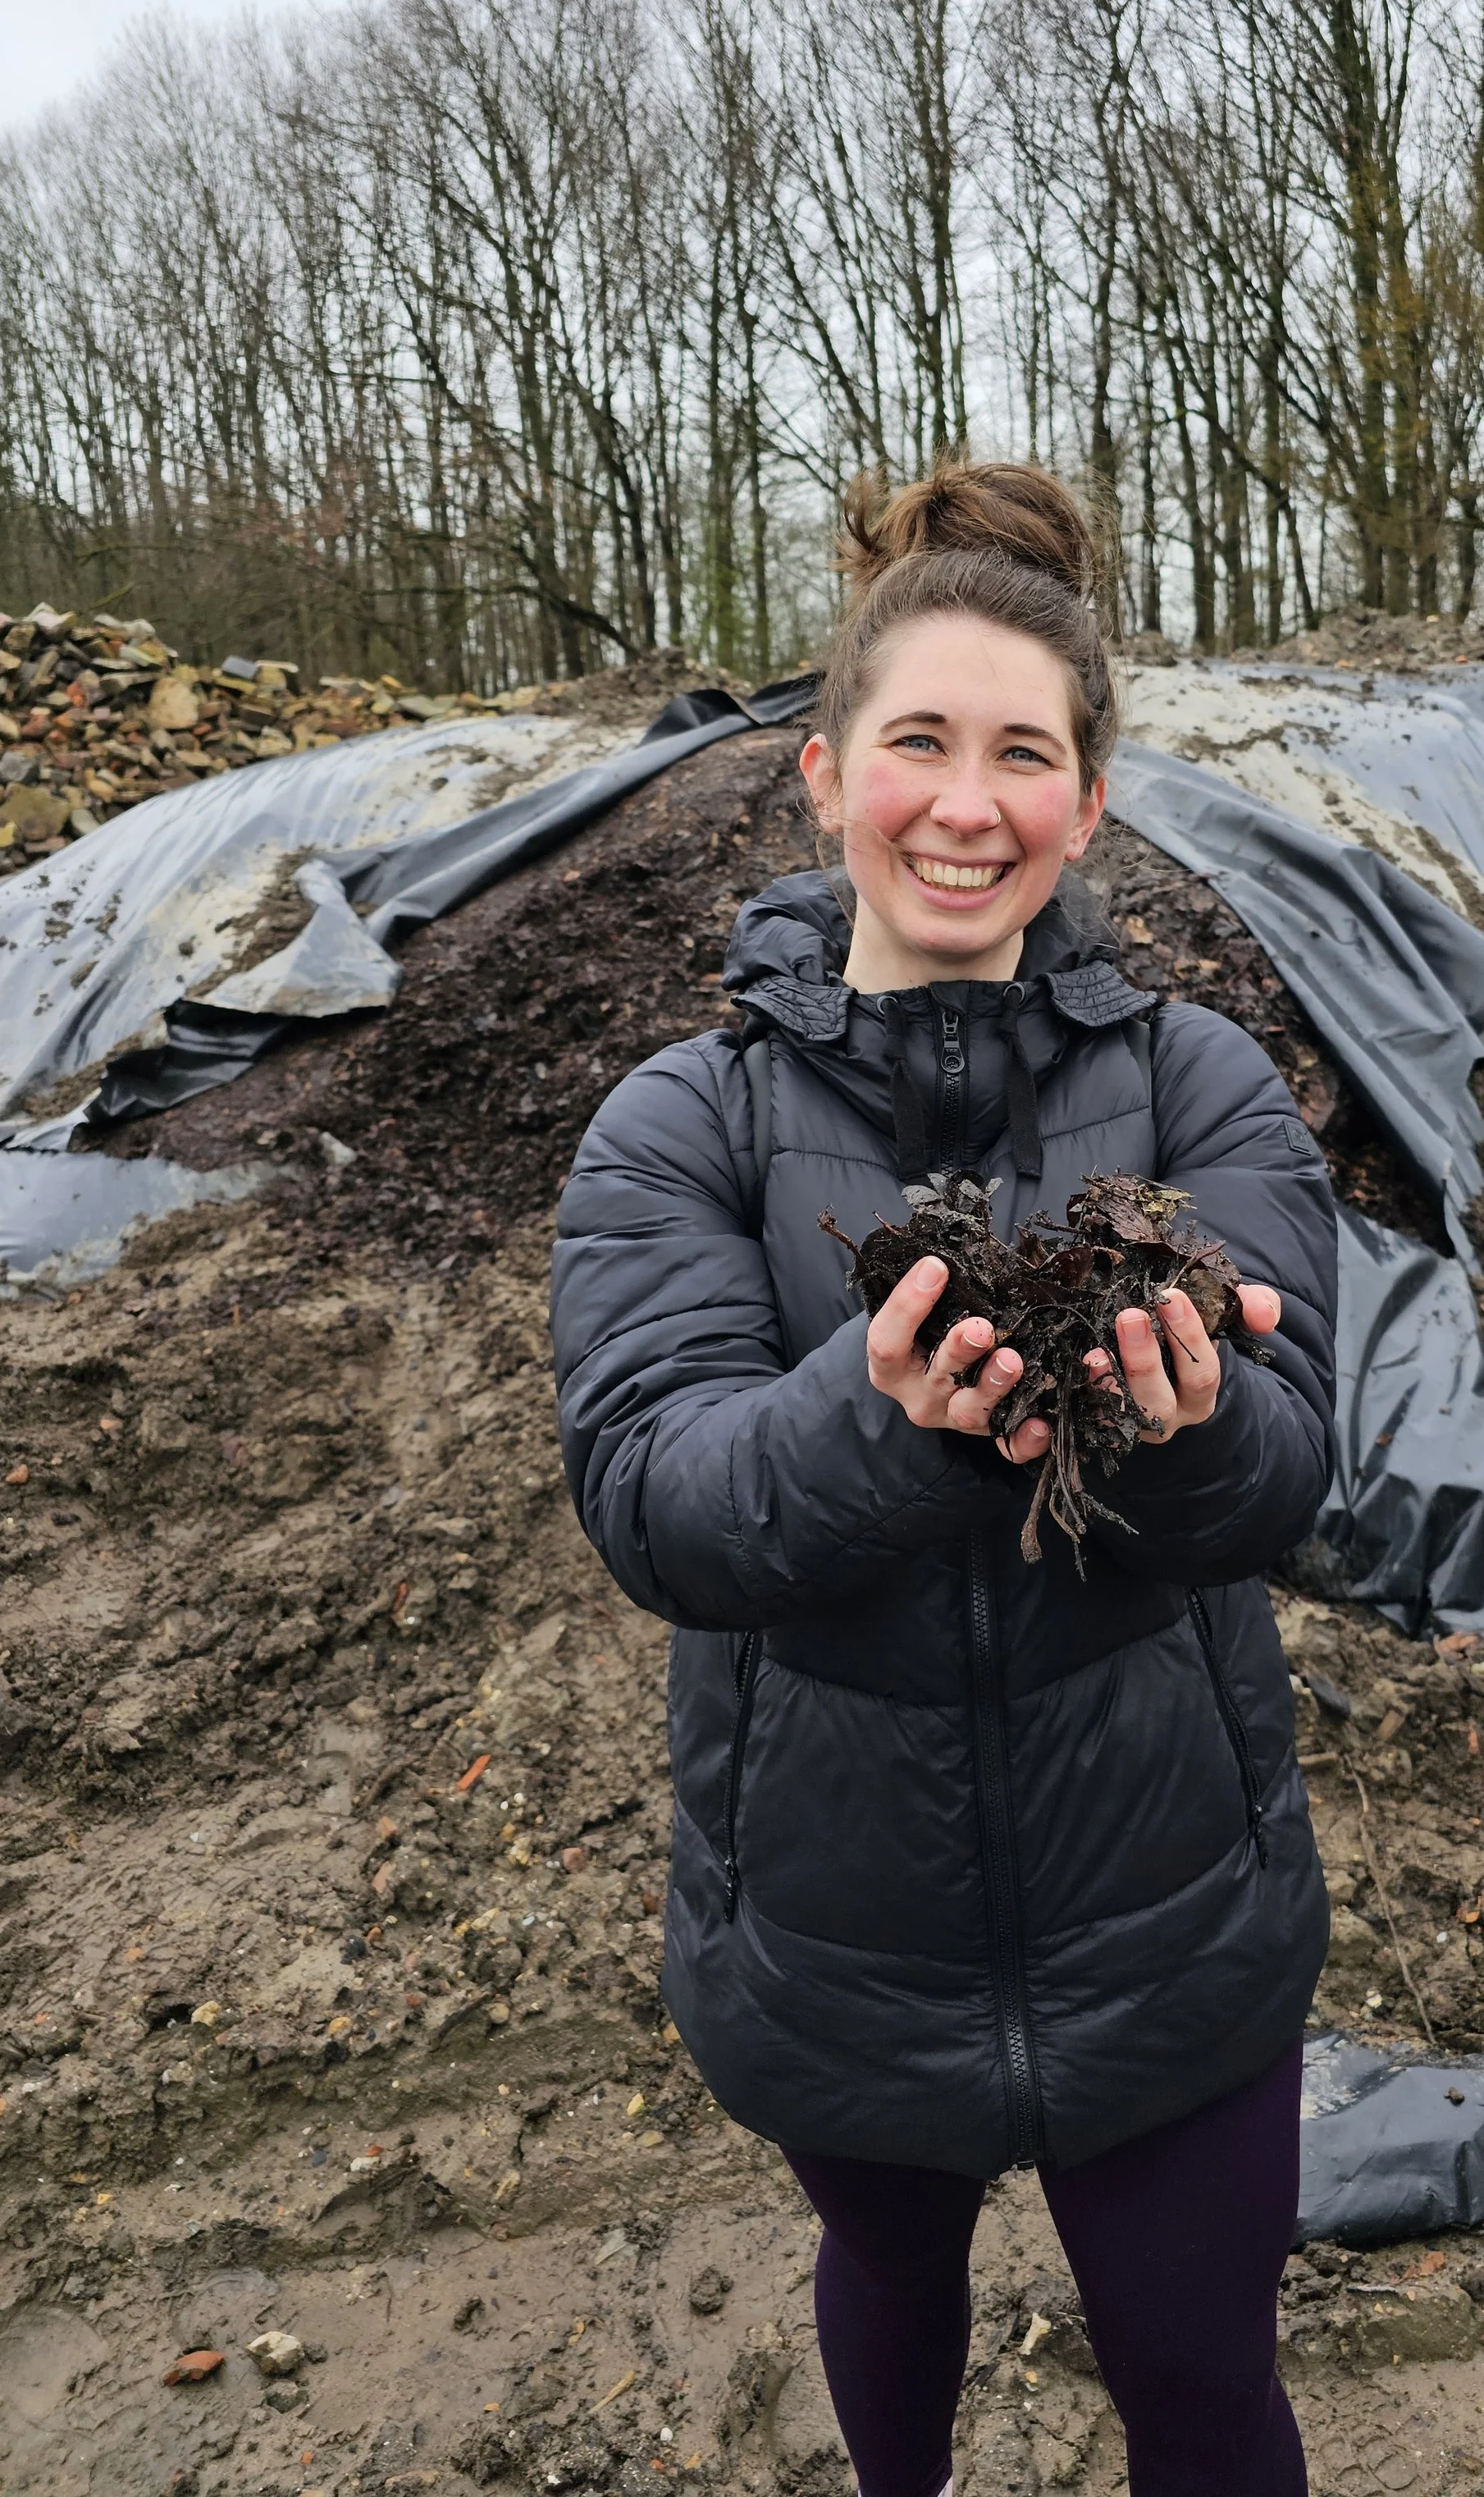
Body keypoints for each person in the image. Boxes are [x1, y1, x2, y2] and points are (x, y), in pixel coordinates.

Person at [551, 461, 1339, 2497]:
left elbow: (1287, 1470)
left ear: (1086, 800)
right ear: (822, 777)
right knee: (884, 2281)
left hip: (1166, 1896)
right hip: (833, 1909)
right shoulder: (679, 1124)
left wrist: (1190, 1422)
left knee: (1204, 2381)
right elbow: (655, 1493)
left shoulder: (1198, 1084)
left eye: (1022, 754)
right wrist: (872, 1415)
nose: (965, 805)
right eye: (917, 744)